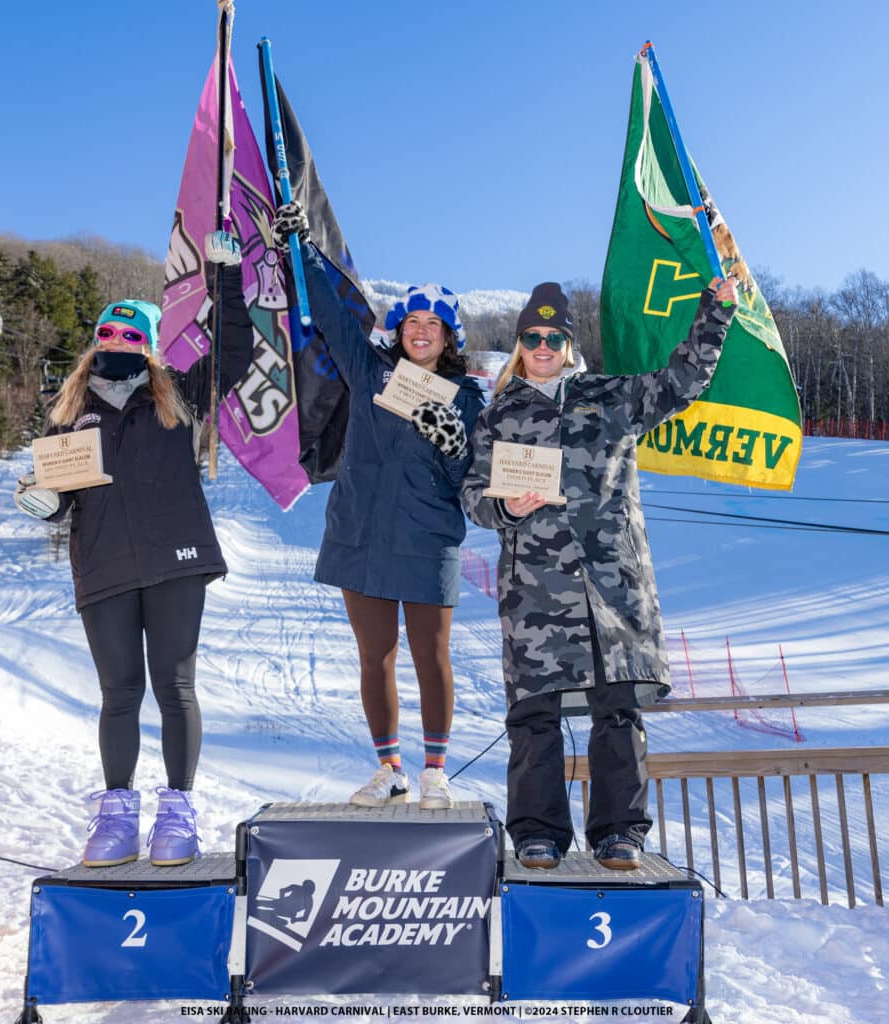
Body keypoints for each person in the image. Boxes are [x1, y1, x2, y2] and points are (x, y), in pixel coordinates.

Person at [462, 277, 737, 869]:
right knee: (534, 714)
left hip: (613, 586)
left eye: (552, 337)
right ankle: (537, 833)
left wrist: (715, 313)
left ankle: (620, 833)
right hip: (535, 591)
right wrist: (506, 508)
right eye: (531, 337)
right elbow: (473, 496)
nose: (541, 346)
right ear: (519, 345)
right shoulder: (498, 417)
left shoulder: (611, 395)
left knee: (617, 709)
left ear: (568, 343)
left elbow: (683, 380)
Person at [14, 263, 254, 867]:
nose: (117, 342)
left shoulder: (180, 395)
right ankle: (117, 817)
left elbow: (235, 350)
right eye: (108, 333)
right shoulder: (68, 410)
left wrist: (225, 276)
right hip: (104, 566)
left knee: (175, 687)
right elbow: (61, 497)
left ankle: (177, 813)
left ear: (150, 345)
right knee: (119, 692)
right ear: (95, 339)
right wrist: (42, 501)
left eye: (131, 335)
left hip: (177, 560)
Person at [272, 201, 485, 810]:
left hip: (427, 541)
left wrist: (454, 444)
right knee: (376, 657)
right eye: (412, 320)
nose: (421, 330)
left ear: (449, 337)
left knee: (431, 656)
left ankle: (435, 772)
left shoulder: (467, 398)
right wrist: (301, 246)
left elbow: (468, 478)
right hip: (359, 535)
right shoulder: (369, 370)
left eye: (434, 324)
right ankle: (390, 768)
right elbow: (332, 314)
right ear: (400, 329)